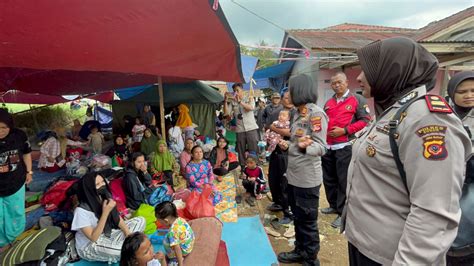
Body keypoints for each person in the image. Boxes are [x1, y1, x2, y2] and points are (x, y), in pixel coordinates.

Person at [343, 37, 471, 265]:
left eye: (367, 69)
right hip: (365, 245)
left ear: (392, 70)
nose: (360, 77)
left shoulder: (427, 120)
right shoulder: (392, 112)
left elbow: (434, 214)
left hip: (392, 256)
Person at [277, 74, 328, 266]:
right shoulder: (298, 113)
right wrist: (289, 145)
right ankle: (300, 250)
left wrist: (304, 146)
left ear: (300, 90)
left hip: (307, 179)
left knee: (307, 221)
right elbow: (297, 142)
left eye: (291, 89)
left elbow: (322, 147)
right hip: (294, 176)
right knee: (298, 218)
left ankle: (310, 258)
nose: (288, 93)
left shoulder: (316, 114)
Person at [321, 72, 371, 229]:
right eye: (333, 83)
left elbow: (365, 120)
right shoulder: (328, 102)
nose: (336, 85)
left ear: (346, 83)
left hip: (345, 146)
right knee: (329, 179)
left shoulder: (357, 100)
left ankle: (342, 213)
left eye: (339, 82)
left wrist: (345, 130)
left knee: (343, 180)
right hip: (328, 147)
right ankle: (333, 205)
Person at [71, 172, 145, 262]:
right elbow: (93, 238)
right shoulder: (81, 211)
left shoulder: (104, 197)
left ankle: (127, 246)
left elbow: (117, 218)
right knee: (119, 251)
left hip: (108, 234)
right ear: (89, 189)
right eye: (97, 184)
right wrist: (105, 212)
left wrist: (128, 234)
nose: (102, 185)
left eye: (102, 181)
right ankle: (127, 248)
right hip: (89, 246)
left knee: (140, 220)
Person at [446, 71, 474, 265]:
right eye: (462, 91)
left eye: (473, 90)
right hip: (447, 180)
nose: (469, 95)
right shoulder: (444, 116)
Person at [0, 109, 33, 253]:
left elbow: (26, 154)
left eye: (3, 127)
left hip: (16, 182)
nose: (0, 131)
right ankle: (2, 243)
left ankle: (16, 239)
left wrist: (29, 172)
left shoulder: (19, 136)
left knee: (16, 212)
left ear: (10, 126)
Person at [266, 89, 295, 224]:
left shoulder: (297, 113)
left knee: (285, 183)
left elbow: (291, 133)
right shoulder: (278, 111)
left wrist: (275, 129)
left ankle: (288, 212)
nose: (286, 100)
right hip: (275, 150)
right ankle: (277, 203)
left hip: (287, 152)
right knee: (273, 178)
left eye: (289, 97)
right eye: (285, 97)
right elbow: (270, 126)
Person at [223, 83, 259, 168]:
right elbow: (227, 113)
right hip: (240, 129)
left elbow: (250, 108)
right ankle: (243, 167)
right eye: (234, 91)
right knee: (240, 149)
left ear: (242, 90)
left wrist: (240, 102)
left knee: (253, 148)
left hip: (251, 128)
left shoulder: (249, 98)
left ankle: (254, 167)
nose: (236, 92)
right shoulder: (232, 102)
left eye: (237, 90)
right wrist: (225, 101)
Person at [155, 201, 195, 266]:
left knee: (166, 241)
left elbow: (177, 249)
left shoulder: (172, 232)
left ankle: (173, 259)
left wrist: (180, 264)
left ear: (166, 221)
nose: (157, 222)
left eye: (159, 220)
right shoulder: (180, 219)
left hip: (184, 251)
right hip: (190, 244)